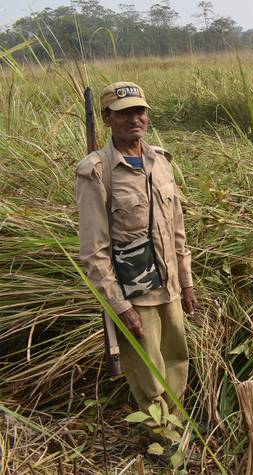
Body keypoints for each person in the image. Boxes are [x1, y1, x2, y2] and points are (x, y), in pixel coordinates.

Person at [76, 82, 196, 419]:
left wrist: (186, 282)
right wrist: (119, 305)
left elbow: (176, 229)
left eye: (140, 111)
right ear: (107, 118)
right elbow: (94, 251)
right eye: (124, 112)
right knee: (147, 372)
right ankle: (161, 436)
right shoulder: (96, 172)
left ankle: (175, 422)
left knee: (177, 359)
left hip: (169, 284)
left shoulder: (160, 161)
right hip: (135, 291)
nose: (135, 118)